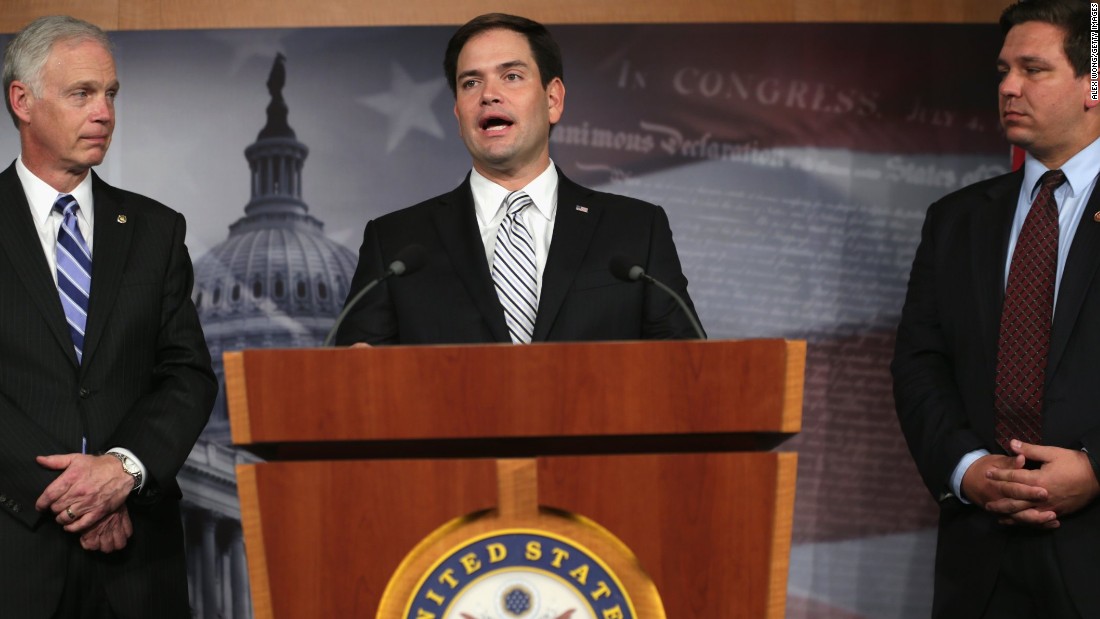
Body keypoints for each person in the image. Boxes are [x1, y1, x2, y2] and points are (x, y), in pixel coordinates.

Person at [0, 15, 216, 618]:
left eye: (111, 94)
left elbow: (187, 374)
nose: (104, 113)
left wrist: (123, 470)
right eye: (82, 94)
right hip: (14, 551)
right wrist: (73, 496)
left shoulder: (156, 230)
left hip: (138, 561)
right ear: (23, 100)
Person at [892, 1, 1100, 617]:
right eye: (1003, 71)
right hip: (979, 558)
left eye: (1033, 69)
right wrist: (967, 469)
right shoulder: (955, 219)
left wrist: (1096, 469)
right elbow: (919, 365)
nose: (1008, 87)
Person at [335, 13, 702, 345]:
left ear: (553, 99)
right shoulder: (396, 244)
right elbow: (356, 385)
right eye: (470, 83)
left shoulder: (636, 230)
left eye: (511, 76)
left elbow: (690, 372)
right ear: (458, 114)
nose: (489, 95)